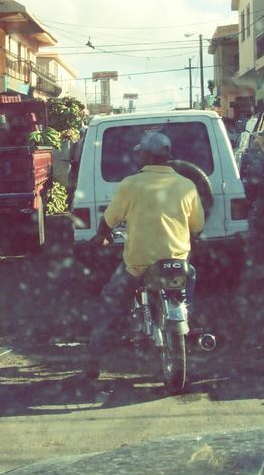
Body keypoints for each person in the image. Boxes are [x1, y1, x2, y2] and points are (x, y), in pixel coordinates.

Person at [86, 130, 205, 380]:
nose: (138, 156)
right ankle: (188, 316)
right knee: (190, 276)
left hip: (139, 264)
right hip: (177, 261)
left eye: (141, 152)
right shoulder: (187, 184)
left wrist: (101, 235)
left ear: (148, 155)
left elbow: (110, 219)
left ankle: (94, 359)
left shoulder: (131, 184)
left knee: (110, 299)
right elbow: (197, 226)